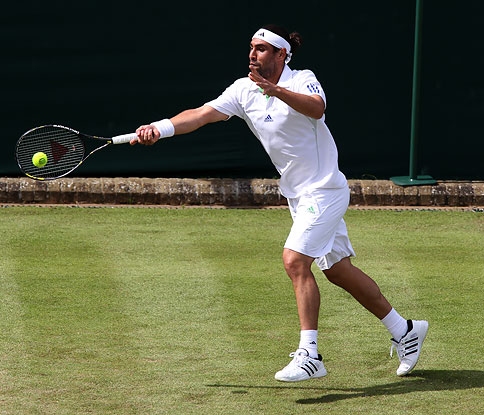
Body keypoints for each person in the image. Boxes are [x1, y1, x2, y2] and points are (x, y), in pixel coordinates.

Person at [131, 24, 428, 382]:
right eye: (251, 47)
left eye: (261, 48)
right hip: (299, 196)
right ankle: (405, 329)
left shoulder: (302, 79)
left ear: (281, 54)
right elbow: (200, 114)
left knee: (294, 260)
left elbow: (317, 108)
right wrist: (159, 128)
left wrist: (277, 91)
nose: (252, 54)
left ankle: (310, 355)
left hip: (325, 190)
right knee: (337, 270)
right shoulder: (243, 90)